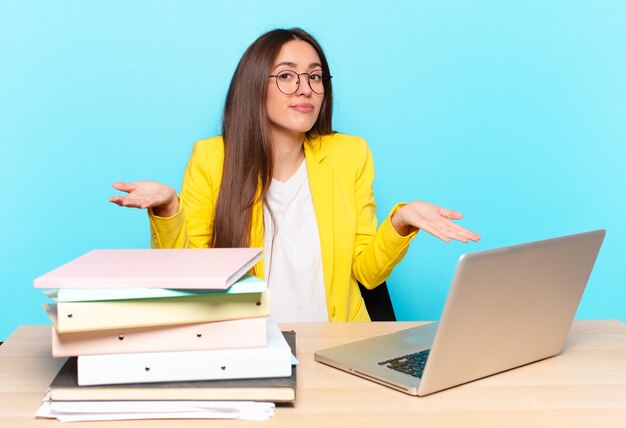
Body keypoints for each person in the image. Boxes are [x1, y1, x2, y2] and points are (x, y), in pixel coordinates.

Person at [109, 28, 480, 323]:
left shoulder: (350, 154)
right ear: (255, 84)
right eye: (287, 75)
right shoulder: (211, 158)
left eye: (315, 77)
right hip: (248, 346)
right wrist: (168, 209)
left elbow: (366, 273)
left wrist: (399, 221)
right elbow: (191, 280)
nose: (306, 88)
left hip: (338, 347)